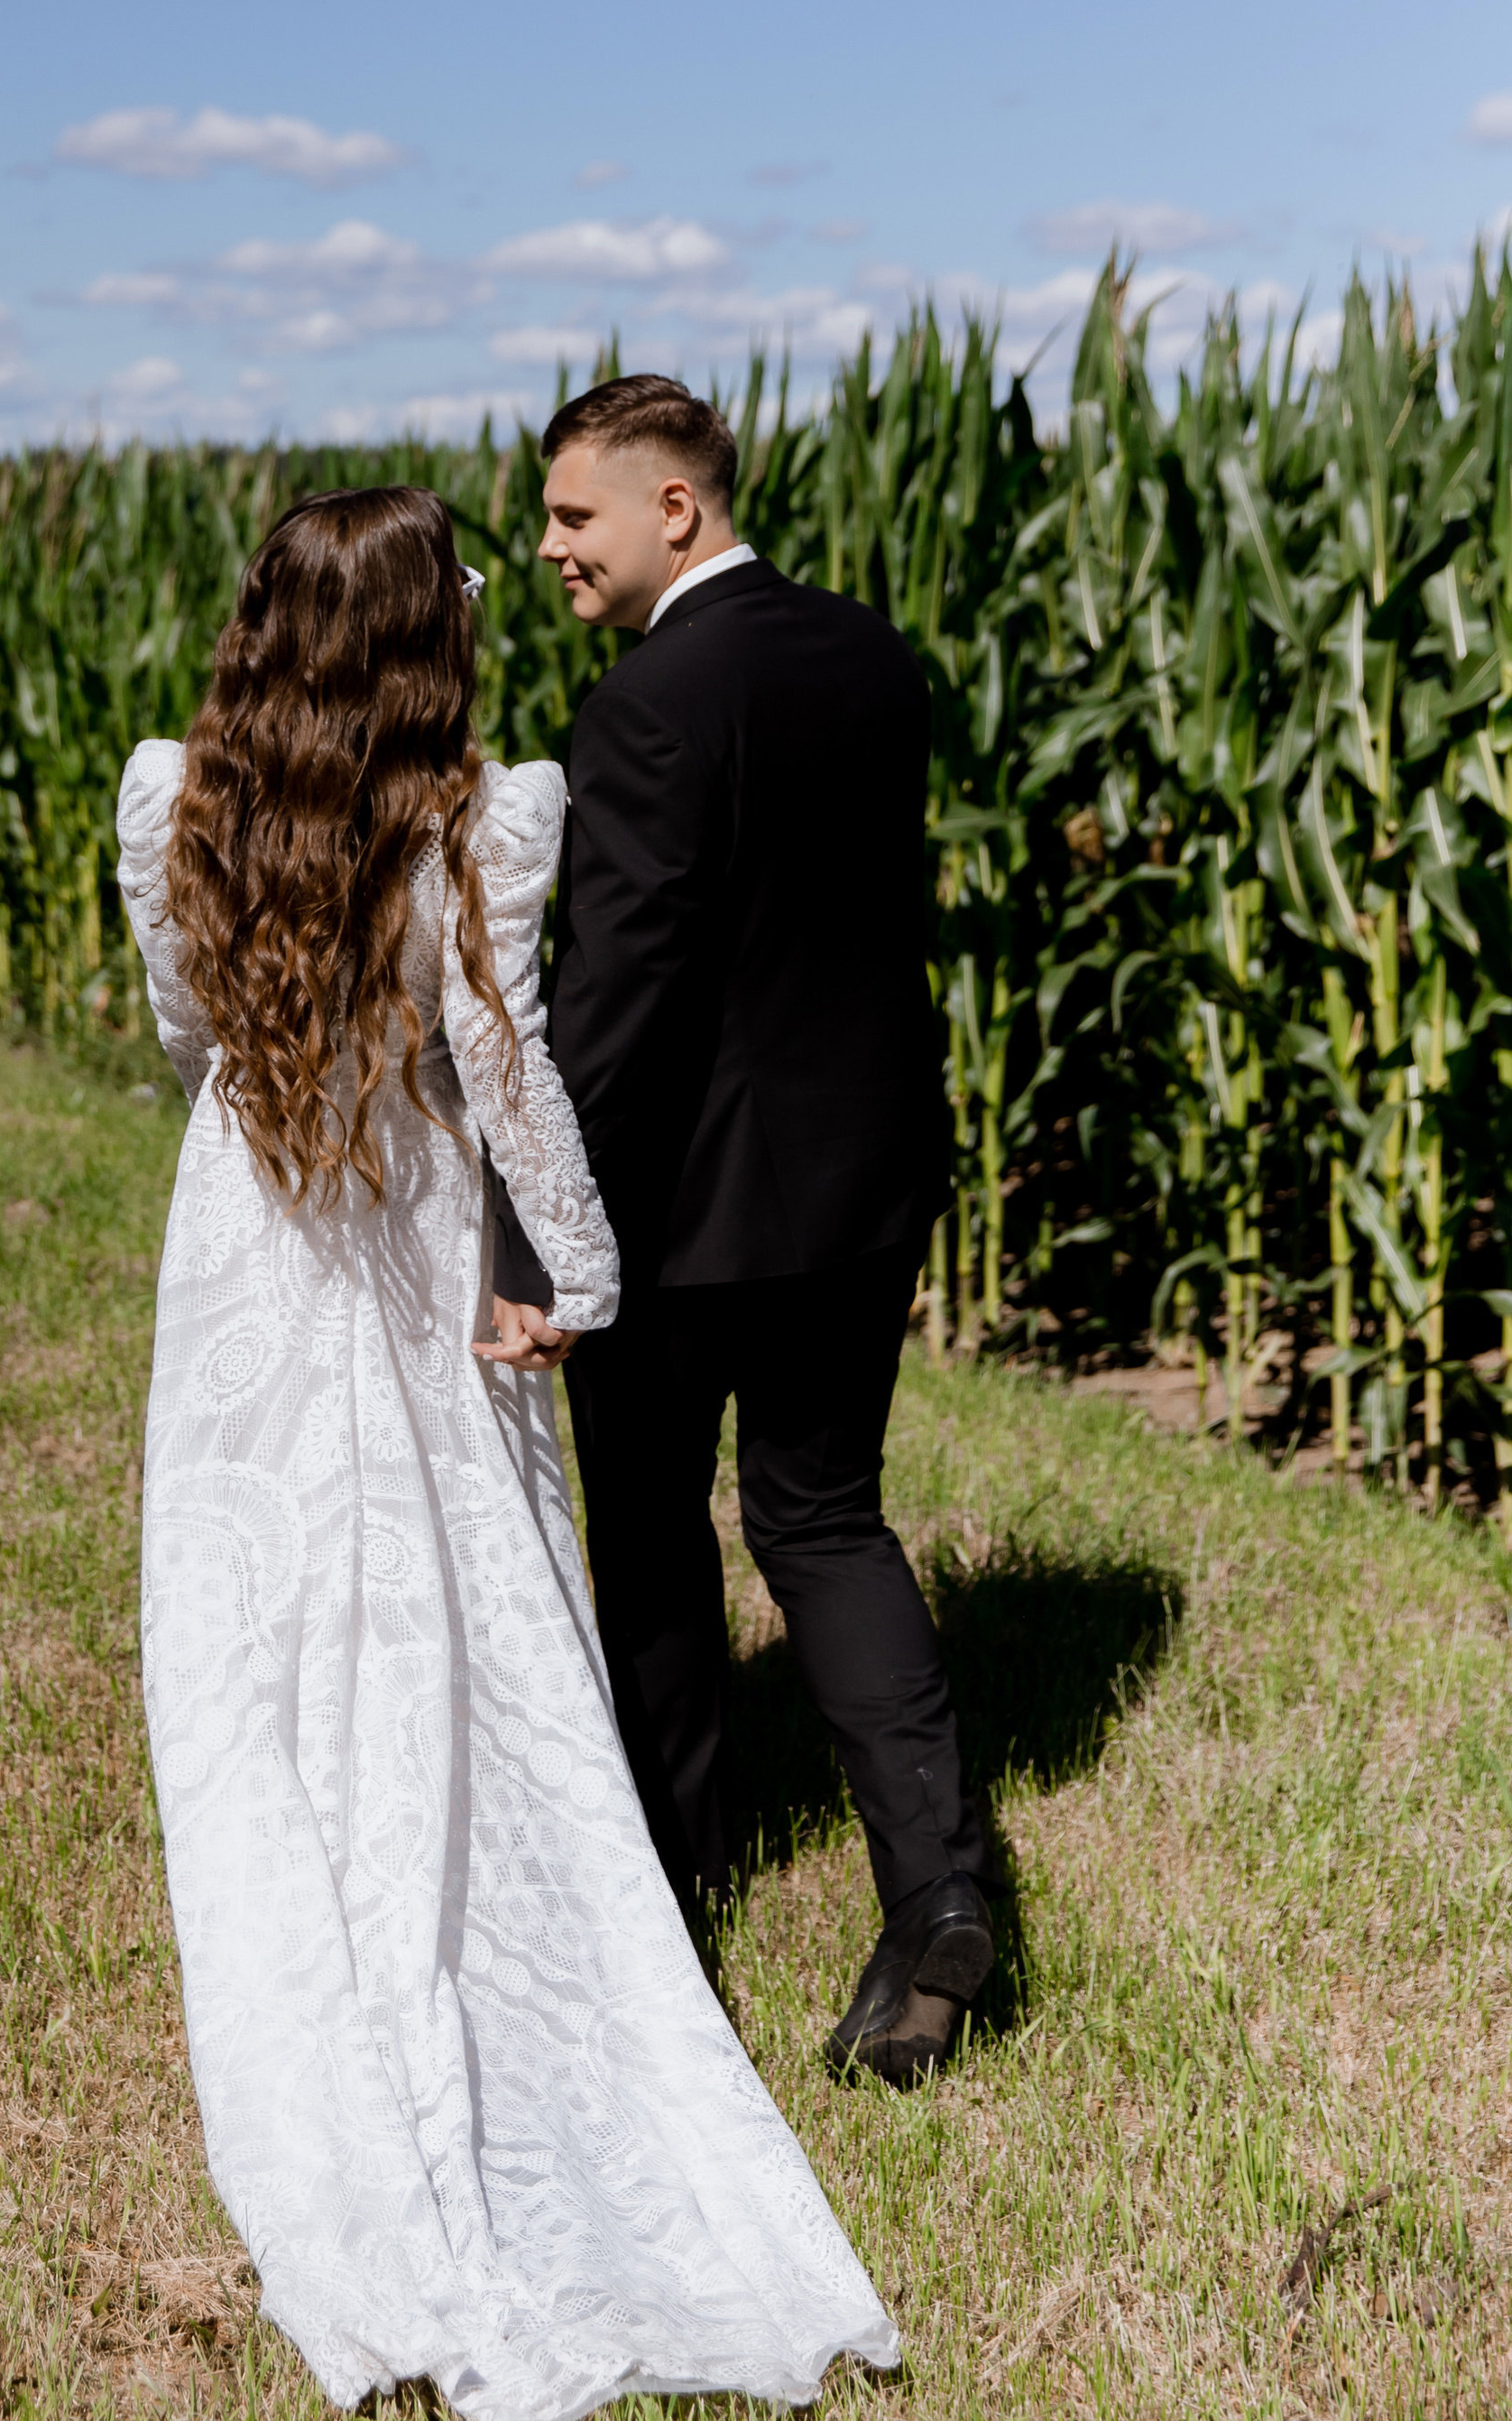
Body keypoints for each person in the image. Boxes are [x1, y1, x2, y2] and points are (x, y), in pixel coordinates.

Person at [117, 484, 899, 2421]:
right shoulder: (493, 816)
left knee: (261, 1603)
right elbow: (507, 1064)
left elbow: (180, 1027)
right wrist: (572, 1272)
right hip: (412, 1230)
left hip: (250, 1220)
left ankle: (303, 1879)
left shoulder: (166, 796)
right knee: (472, 1589)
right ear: (418, 636)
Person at [534, 374, 994, 2088]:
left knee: (655, 1537)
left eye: (577, 516)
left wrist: (542, 1227)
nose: (552, 547)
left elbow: (627, 998)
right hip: (867, 1182)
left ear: (677, 508)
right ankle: (937, 1888)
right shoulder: (872, 653)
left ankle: (671, 1884)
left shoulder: (651, 699)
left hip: (691, 1211)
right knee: (822, 1521)